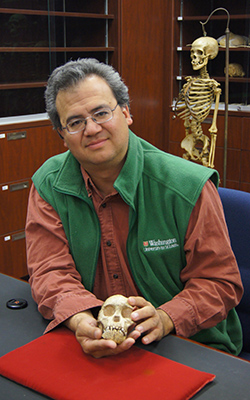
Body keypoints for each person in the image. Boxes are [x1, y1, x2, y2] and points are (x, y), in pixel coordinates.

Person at [25, 58, 243, 359]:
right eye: (75, 122)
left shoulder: (187, 186)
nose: (91, 129)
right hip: (94, 341)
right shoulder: (49, 184)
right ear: (62, 136)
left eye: (101, 113)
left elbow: (220, 282)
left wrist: (167, 318)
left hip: (186, 343)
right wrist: (80, 319)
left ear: (126, 113)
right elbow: (50, 271)